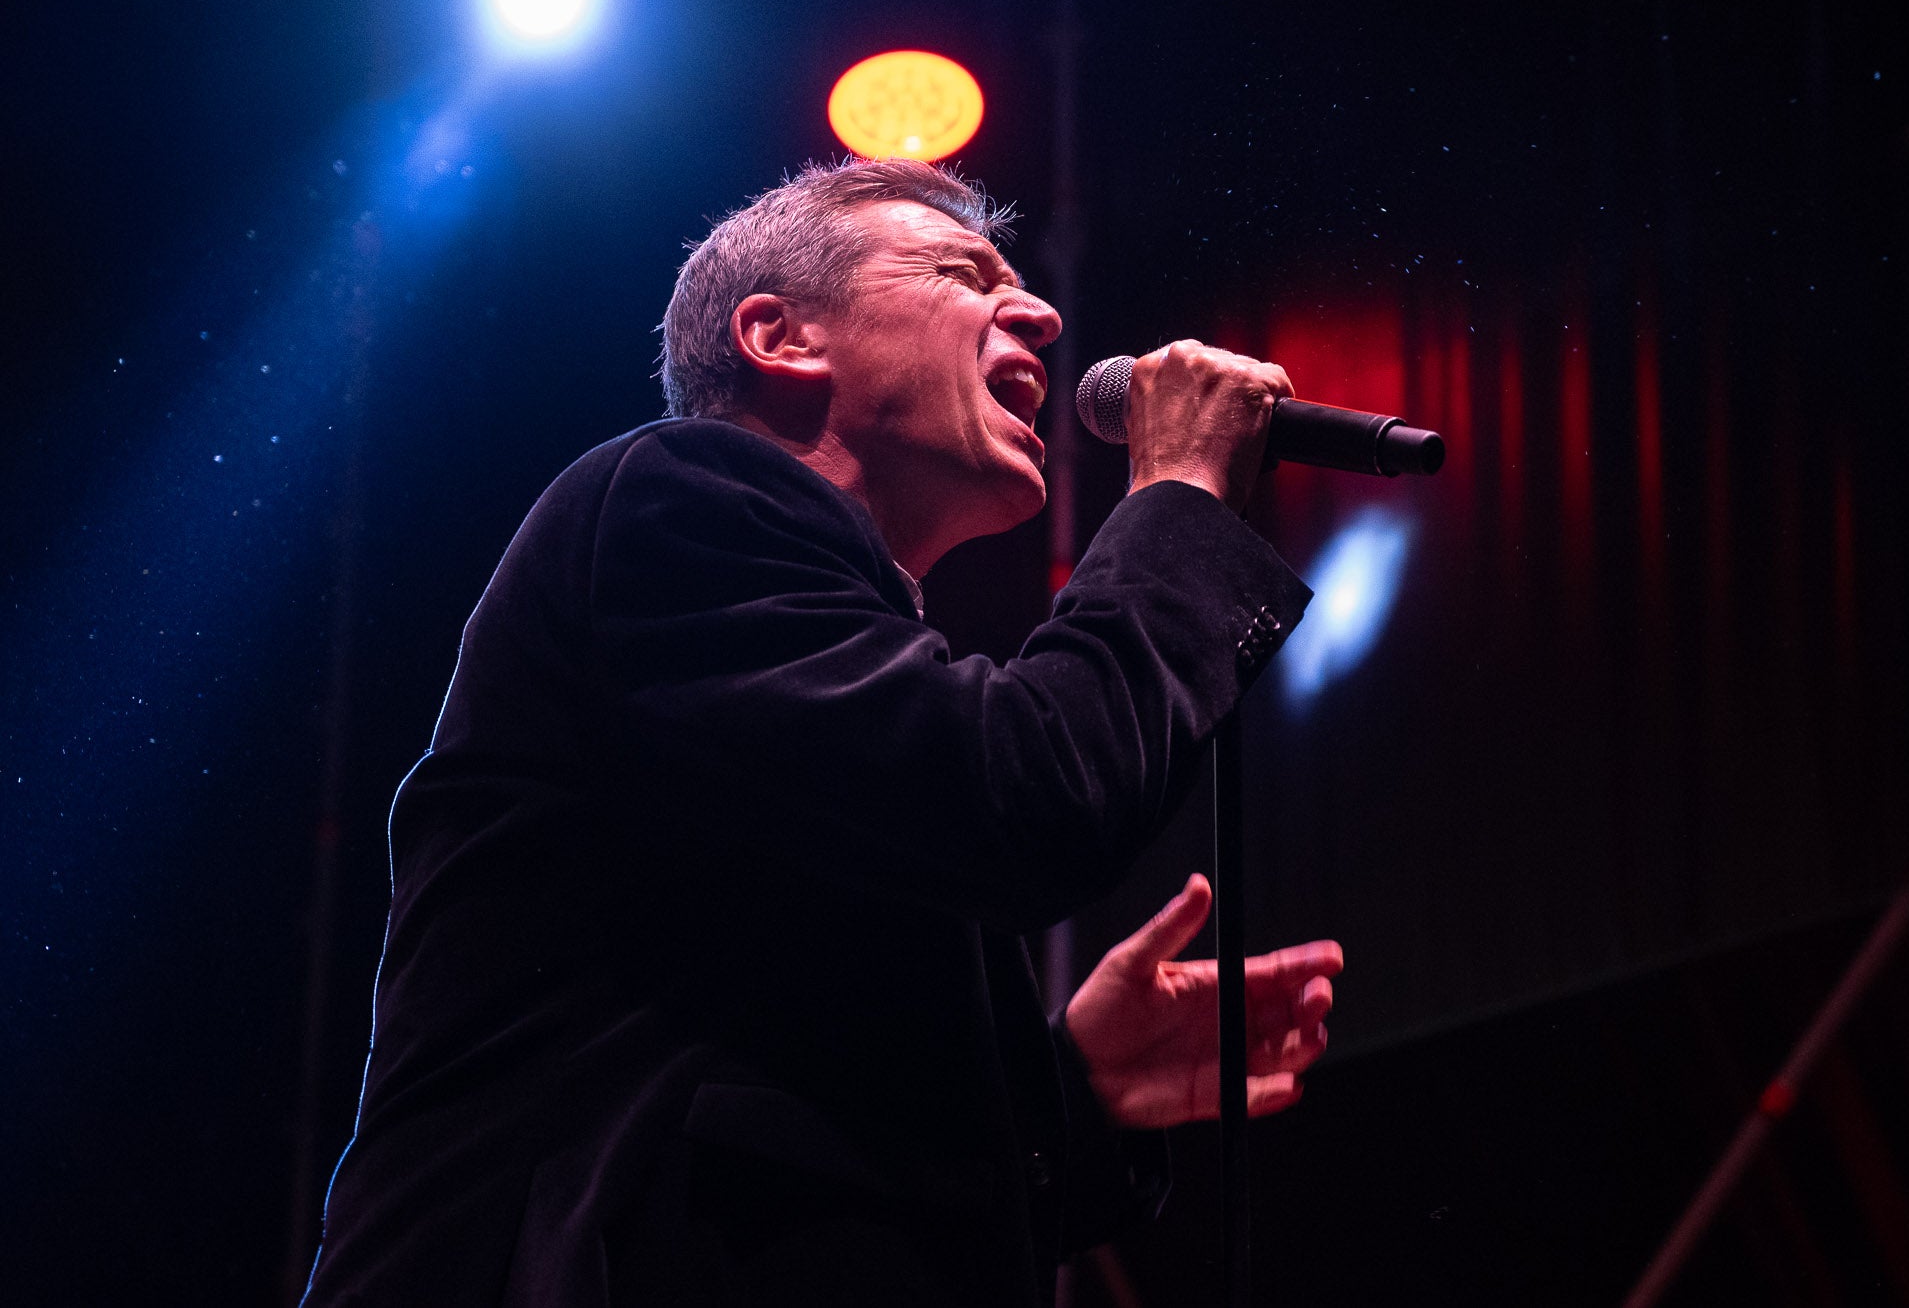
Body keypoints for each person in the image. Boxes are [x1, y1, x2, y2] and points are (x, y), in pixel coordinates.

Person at [301, 158, 1343, 1308]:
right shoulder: (670, 499)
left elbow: (833, 1150)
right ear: (777, 336)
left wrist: (1070, 1090)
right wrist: (1180, 504)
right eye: (962, 271)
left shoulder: (839, 691)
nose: (1041, 315)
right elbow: (1028, 790)